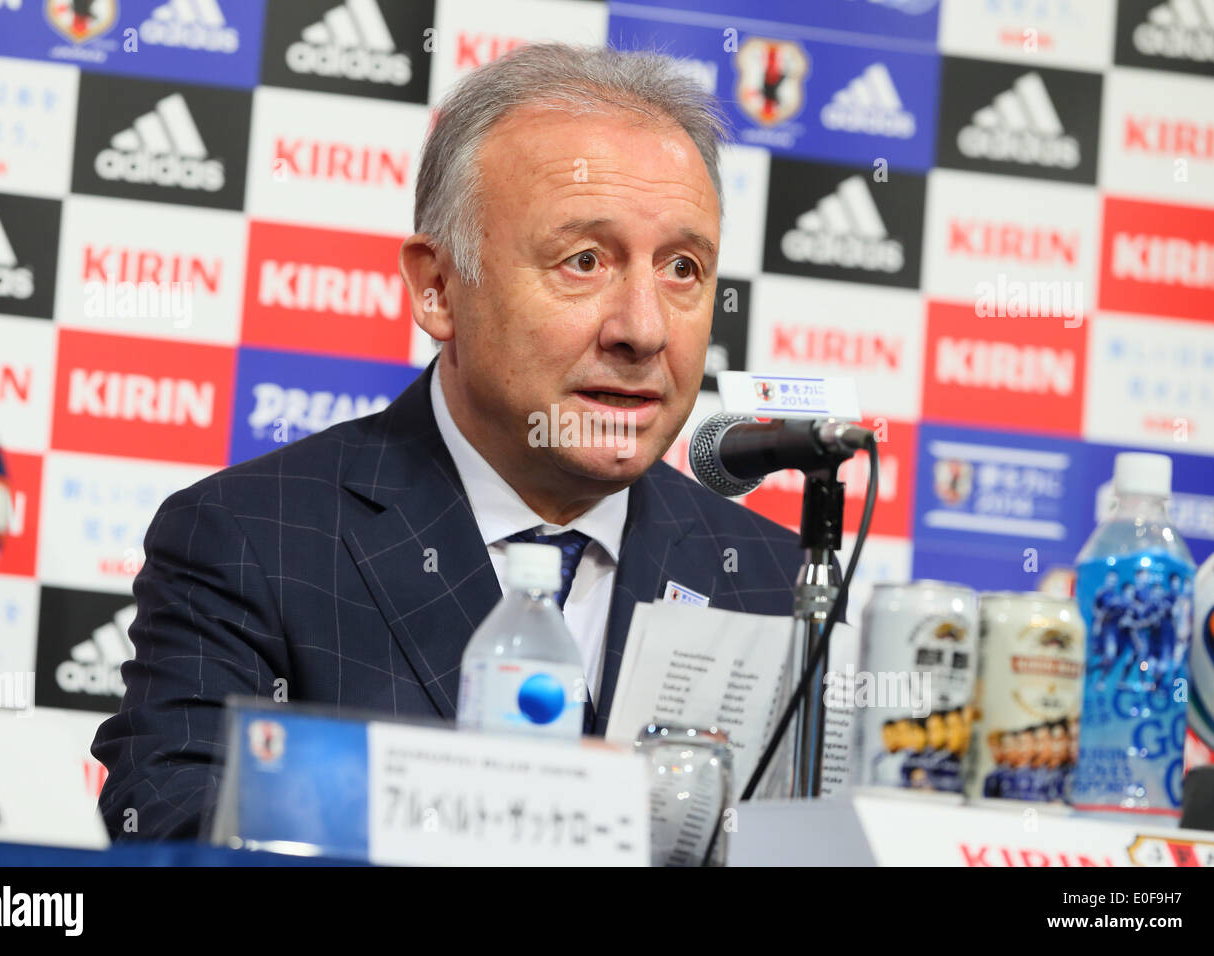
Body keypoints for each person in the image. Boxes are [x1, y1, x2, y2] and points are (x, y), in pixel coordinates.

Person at [91, 43, 804, 842]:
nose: (642, 328)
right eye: (584, 260)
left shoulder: (778, 587)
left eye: (682, 267)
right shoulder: (252, 538)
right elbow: (173, 835)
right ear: (437, 288)